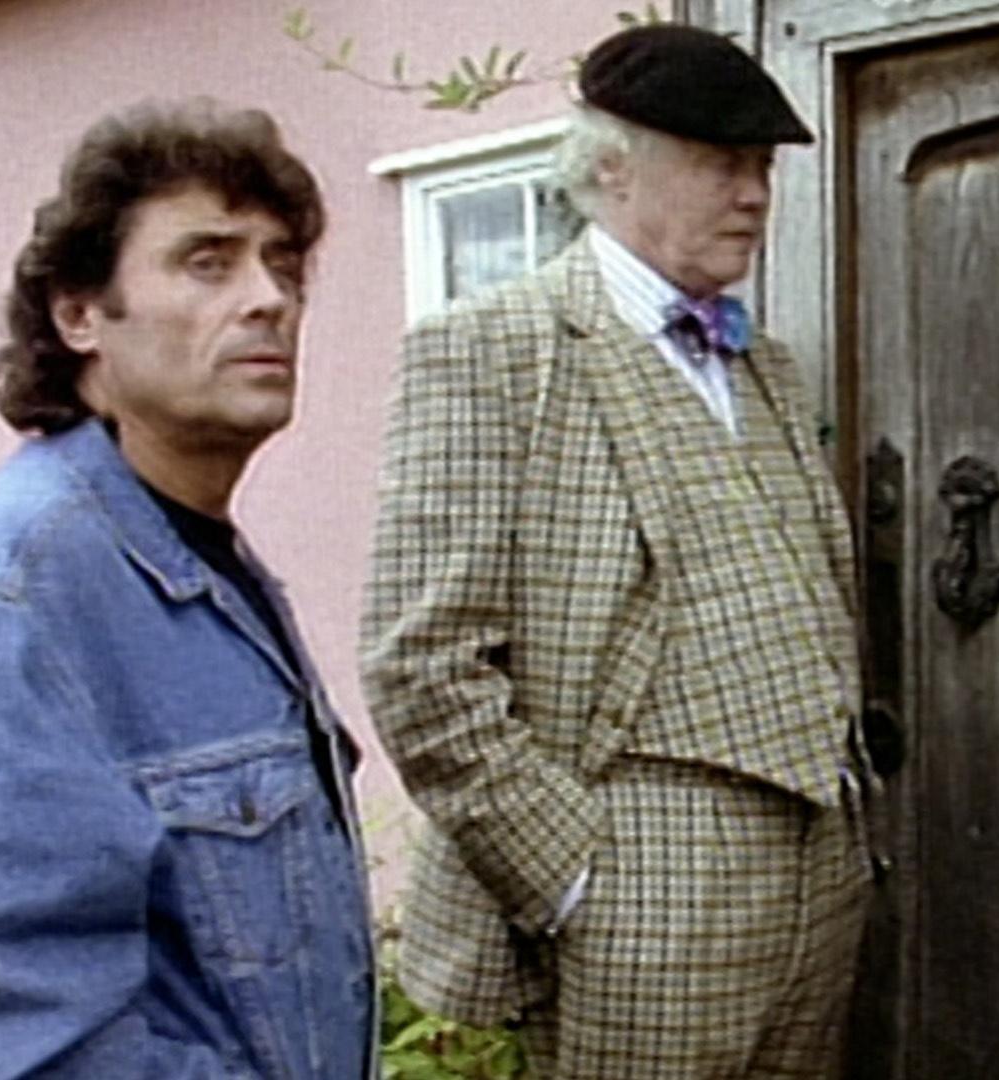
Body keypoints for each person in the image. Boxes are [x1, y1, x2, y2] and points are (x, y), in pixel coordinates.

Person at [359, 23, 876, 1080]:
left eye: (762, 167)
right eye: (720, 163)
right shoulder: (491, 351)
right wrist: (570, 878)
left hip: (818, 879)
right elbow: (420, 663)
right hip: (638, 890)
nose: (755, 196)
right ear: (610, 167)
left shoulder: (766, 368)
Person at [0, 99, 377, 1079]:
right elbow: (5, 1046)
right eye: (208, 263)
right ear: (80, 315)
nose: (269, 299)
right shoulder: (4, 601)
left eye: (282, 264)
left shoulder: (200, 559)